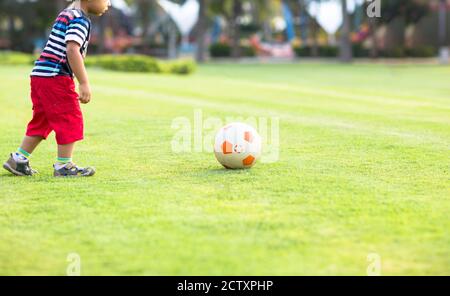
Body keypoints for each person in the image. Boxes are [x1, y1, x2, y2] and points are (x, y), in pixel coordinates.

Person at [3, 0, 111, 177]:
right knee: (70, 117)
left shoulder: (67, 14)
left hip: (40, 75)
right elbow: (72, 50)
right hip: (55, 76)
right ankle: (64, 166)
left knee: (43, 120)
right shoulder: (80, 20)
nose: (108, 3)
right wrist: (83, 82)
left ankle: (19, 159)